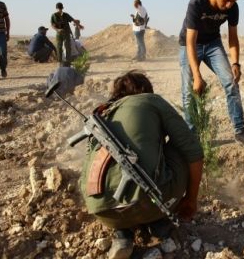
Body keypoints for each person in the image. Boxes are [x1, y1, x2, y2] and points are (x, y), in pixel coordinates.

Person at [79, 70, 204, 259]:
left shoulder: (101, 112)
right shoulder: (151, 100)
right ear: (146, 90)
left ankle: (123, 232)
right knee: (182, 145)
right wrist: (191, 200)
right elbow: (194, 152)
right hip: (155, 201)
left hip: (102, 210)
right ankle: (157, 221)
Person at [179, 0, 244, 147]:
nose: (229, 5)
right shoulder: (197, 3)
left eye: (234, 1)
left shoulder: (233, 8)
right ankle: (193, 137)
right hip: (190, 45)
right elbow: (190, 42)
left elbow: (233, 38)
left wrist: (236, 63)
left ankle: (240, 131)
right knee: (189, 91)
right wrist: (197, 77)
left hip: (213, 44)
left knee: (231, 82)